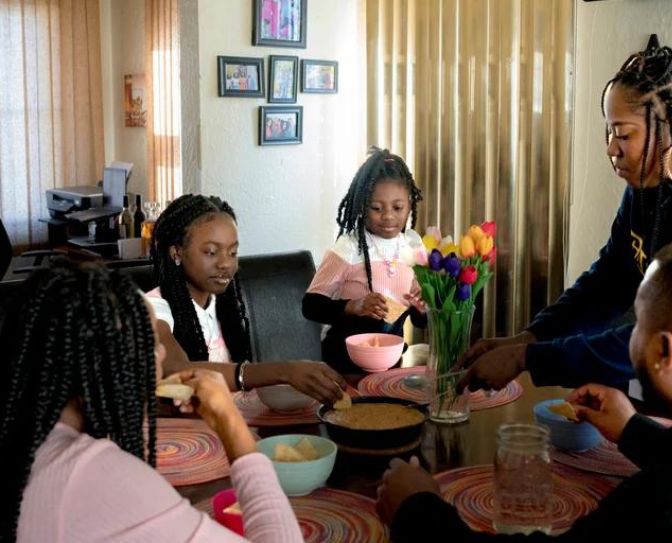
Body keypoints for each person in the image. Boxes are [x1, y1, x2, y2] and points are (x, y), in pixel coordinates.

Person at [377, 235, 672, 541]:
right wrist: (632, 431)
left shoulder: (661, 504)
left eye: (637, 325)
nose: (628, 336)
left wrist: (416, 509)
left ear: (663, 352)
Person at [0, 260, 303, 542]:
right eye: (149, 344)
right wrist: (231, 423)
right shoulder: (99, 479)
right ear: (104, 367)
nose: (160, 355)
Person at [459, 42, 672, 393]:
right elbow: (608, 280)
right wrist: (528, 337)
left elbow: (654, 337)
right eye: (609, 132)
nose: (610, 148)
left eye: (623, 134)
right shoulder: (645, 185)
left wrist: (527, 358)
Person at [148, 194, 345, 405]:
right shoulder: (154, 307)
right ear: (176, 252)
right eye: (211, 252)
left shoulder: (222, 303)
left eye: (232, 252)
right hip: (189, 431)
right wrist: (284, 371)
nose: (225, 263)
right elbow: (175, 370)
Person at [302, 147, 426, 373]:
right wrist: (354, 306)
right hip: (343, 363)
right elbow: (311, 306)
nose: (388, 216)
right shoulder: (348, 248)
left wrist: (423, 308)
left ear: (410, 204)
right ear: (361, 206)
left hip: (390, 361)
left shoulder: (413, 247)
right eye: (376, 208)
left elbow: (420, 322)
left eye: (397, 207)